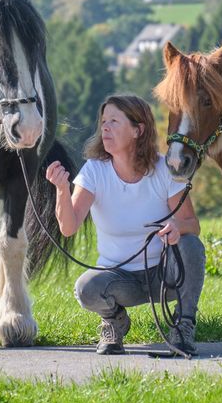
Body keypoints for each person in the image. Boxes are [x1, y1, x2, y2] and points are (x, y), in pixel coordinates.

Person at [46, 94, 206, 355]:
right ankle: (114, 321)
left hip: (163, 275)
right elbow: (68, 227)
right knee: (86, 288)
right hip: (118, 279)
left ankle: (184, 325)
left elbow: (192, 223)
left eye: (114, 121)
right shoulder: (94, 171)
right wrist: (62, 190)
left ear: (137, 130)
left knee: (191, 245)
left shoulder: (164, 168)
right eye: (103, 121)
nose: (105, 127)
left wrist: (178, 227)